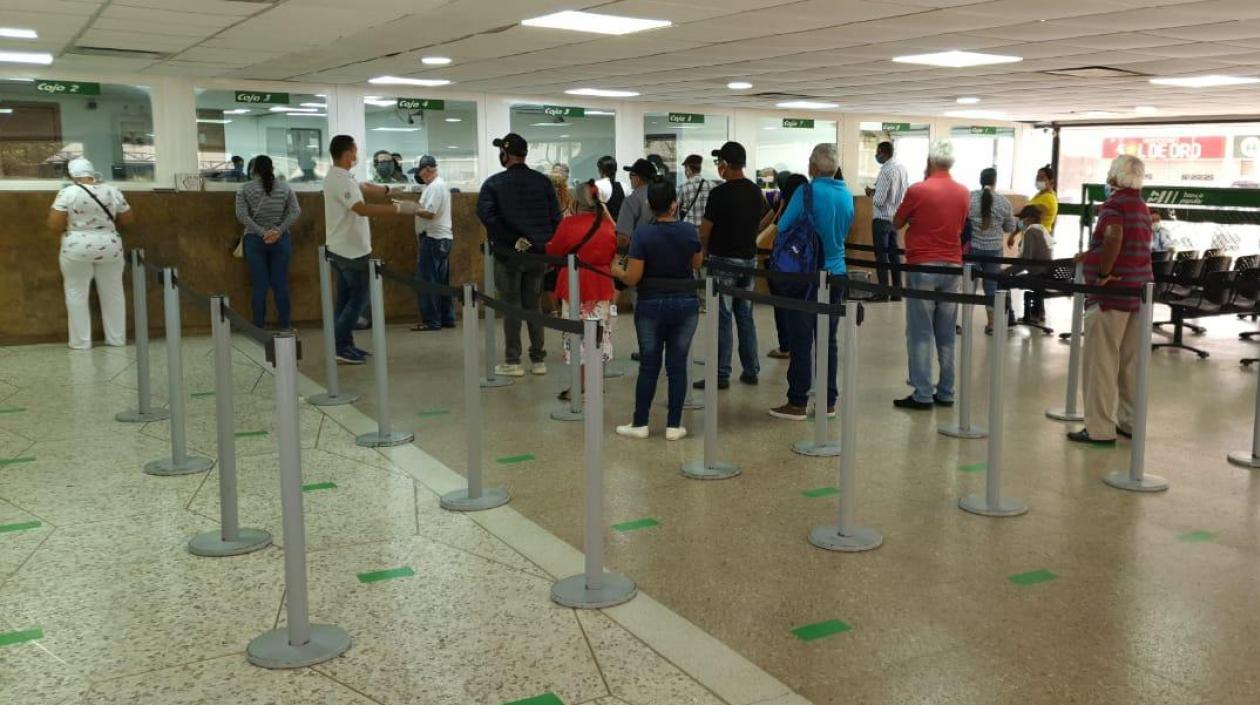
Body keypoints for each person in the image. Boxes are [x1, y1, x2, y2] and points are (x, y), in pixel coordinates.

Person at [758, 144, 853, 420]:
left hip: (807, 275)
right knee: (828, 340)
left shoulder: (806, 191)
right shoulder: (846, 194)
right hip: (837, 272)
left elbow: (784, 225)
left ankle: (797, 401)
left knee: (801, 338)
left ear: (812, 167)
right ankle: (828, 401)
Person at [1069, 154, 1154, 445]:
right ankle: (1129, 422)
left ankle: (1099, 428)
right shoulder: (1142, 206)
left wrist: (1103, 271)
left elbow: (1115, 236)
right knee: (1130, 363)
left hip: (1112, 296)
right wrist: (1093, 255)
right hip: (1138, 292)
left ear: (1116, 177)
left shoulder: (1114, 205)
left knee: (1101, 362)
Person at [611, 180, 703, 441]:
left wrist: (617, 270)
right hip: (686, 304)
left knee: (650, 365)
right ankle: (674, 425)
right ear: (674, 204)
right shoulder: (689, 231)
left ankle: (640, 423)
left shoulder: (643, 234)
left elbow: (633, 277)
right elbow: (697, 262)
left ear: (649, 205)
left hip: (651, 305)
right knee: (678, 365)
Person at [324, 135, 421, 365]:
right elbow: (361, 209)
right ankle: (339, 345)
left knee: (345, 301)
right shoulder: (341, 181)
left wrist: (388, 189)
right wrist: (399, 210)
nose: (357, 155)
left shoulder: (338, 177)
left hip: (341, 247)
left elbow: (365, 187)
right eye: (355, 151)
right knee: (358, 300)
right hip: (351, 251)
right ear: (348, 153)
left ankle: (345, 346)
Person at [476, 132, 562, 377]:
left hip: (507, 255)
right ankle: (538, 360)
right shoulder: (543, 182)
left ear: (505, 154)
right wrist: (544, 245)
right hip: (537, 256)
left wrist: (513, 240)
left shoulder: (493, 184)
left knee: (511, 305)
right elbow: (555, 219)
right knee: (533, 306)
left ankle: (513, 361)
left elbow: (487, 216)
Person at [892, 139, 969, 409]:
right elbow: (959, 225)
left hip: (922, 264)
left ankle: (922, 393)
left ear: (930, 160)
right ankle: (946, 391)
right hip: (953, 266)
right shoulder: (963, 192)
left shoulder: (918, 190)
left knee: (920, 331)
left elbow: (896, 222)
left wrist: (916, 220)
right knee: (946, 332)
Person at [697, 141, 764, 390]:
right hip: (749, 262)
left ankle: (721, 374)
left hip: (723, 261)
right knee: (745, 316)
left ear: (724, 165)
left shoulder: (719, 193)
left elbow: (705, 231)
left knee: (722, 318)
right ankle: (751, 369)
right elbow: (762, 220)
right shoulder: (755, 191)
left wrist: (703, 251)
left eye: (719, 163)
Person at [47, 158, 133, 350]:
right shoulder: (112, 190)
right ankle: (116, 339)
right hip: (110, 245)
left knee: (76, 291)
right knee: (114, 292)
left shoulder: (67, 192)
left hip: (76, 247)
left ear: (72, 175)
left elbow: (54, 224)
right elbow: (127, 219)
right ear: (92, 173)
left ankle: (81, 342)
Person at [546, 180, 617, 401]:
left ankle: (579, 387)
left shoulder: (569, 225)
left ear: (576, 201)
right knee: (599, 335)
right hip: (602, 284)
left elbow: (554, 251)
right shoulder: (607, 225)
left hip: (575, 284)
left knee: (577, 336)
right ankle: (596, 384)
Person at [235, 155, 300, 329]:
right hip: (280, 240)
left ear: (253, 169)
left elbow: (241, 215)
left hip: (255, 241)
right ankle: (285, 326)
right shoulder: (285, 188)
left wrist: (262, 233)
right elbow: (295, 212)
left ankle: (258, 326)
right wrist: (278, 231)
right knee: (280, 283)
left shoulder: (245, 189)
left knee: (260, 285)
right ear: (272, 168)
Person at [758, 173, 809, 360]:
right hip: (804, 265)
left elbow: (768, 225)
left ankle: (786, 346)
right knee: (801, 306)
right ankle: (802, 344)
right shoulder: (810, 208)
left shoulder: (785, 207)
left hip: (781, 264)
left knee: (781, 306)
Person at [967, 167, 1017, 334]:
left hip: (973, 248)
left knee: (970, 285)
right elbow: (1009, 226)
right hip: (994, 251)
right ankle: (992, 324)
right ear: (995, 181)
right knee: (991, 286)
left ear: (980, 180)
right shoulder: (1004, 202)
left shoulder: (970, 198)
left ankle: (966, 321)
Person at [410, 155, 455, 332]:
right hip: (442, 238)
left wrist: (410, 207)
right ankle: (446, 318)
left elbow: (430, 213)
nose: (419, 176)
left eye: (420, 172)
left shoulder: (435, 187)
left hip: (433, 238)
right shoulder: (438, 186)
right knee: (441, 282)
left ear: (427, 170)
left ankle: (431, 321)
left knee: (426, 281)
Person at [864, 141, 909, 295]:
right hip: (895, 219)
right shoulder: (901, 169)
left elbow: (879, 200)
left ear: (882, 152)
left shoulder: (886, 171)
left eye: (877, 152)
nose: (876, 156)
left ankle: (883, 292)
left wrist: (870, 192)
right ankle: (897, 291)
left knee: (881, 256)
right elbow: (902, 193)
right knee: (894, 255)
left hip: (881, 219)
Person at [1006, 204, 1054, 324]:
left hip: (1038, 276)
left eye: (1022, 218)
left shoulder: (1030, 232)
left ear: (1030, 218)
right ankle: (1039, 312)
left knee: (1002, 281)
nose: (1020, 221)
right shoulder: (1042, 230)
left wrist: (1006, 271)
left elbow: (1026, 261)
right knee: (1038, 280)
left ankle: (1009, 317)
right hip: (1047, 275)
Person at [616, 158, 657, 245]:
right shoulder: (666, 196)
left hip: (641, 253)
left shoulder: (632, 200)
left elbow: (623, 238)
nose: (630, 179)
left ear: (637, 178)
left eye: (631, 175)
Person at [676, 154, 711, 228]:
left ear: (688, 168)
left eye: (685, 168)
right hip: (706, 229)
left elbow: (676, 209)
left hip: (688, 229)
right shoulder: (712, 186)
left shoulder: (682, 188)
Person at [1028, 165, 1059, 232]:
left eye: (1042, 178)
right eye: (1037, 177)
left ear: (1051, 182)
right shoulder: (1040, 195)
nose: (1038, 180)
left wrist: (1018, 227)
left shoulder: (1048, 198)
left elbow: (1032, 218)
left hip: (1038, 235)